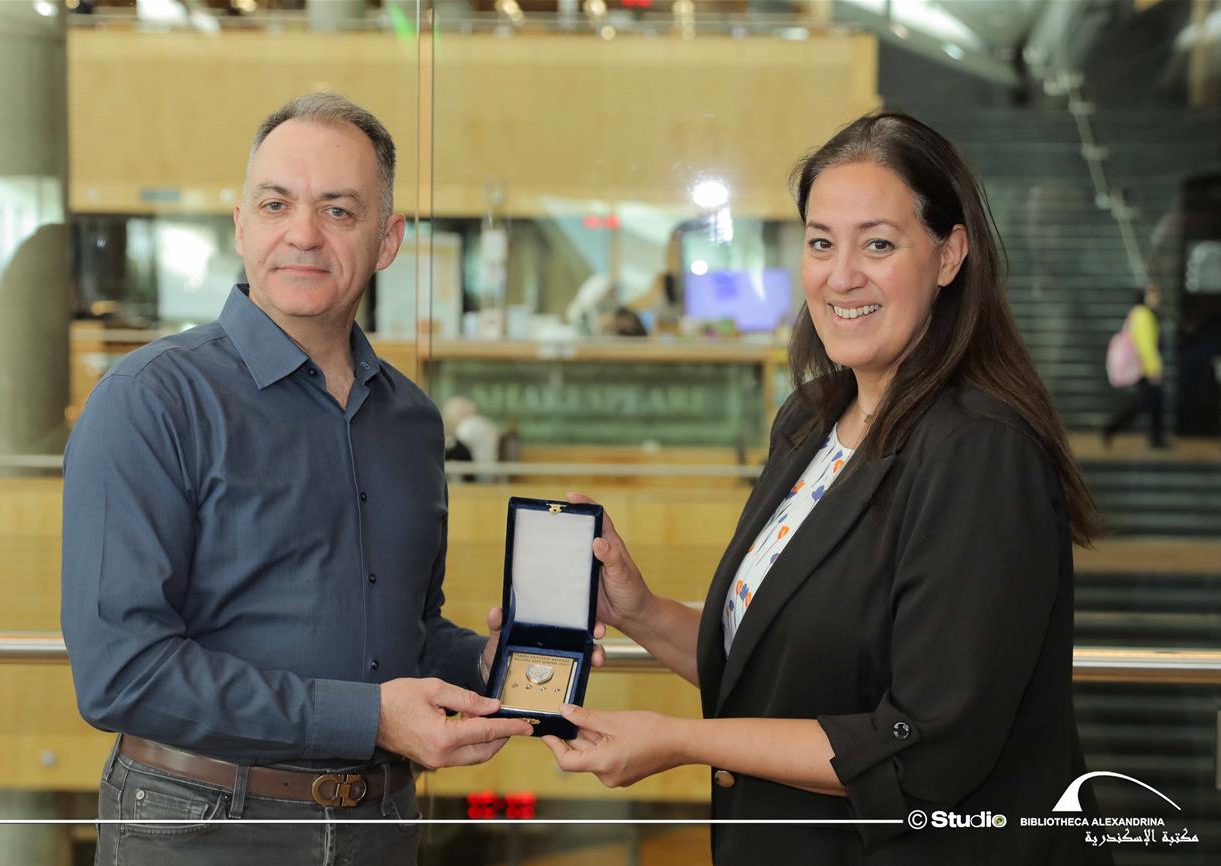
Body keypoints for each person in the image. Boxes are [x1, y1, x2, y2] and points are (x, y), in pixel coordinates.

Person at [542, 112, 1109, 865]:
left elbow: (921, 746)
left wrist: (680, 740)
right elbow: (776, 671)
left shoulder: (980, 452)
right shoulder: (811, 421)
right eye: (820, 242)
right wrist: (638, 610)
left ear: (949, 255)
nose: (842, 275)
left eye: (878, 244)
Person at [61, 93, 534, 866]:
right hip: (202, 829)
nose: (303, 234)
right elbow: (122, 672)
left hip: (380, 825)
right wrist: (369, 719)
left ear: (387, 240)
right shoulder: (150, 400)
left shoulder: (410, 421)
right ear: (240, 225)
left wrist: (487, 664)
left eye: (338, 210)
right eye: (276, 204)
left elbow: (402, 635)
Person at [1103, 284, 1166, 449]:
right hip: (1146, 369)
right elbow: (1146, 345)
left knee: (1152, 403)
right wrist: (1154, 369)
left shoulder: (1143, 313)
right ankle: (1111, 429)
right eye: (1153, 295)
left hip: (1144, 368)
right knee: (1142, 405)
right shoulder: (1143, 315)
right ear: (1144, 296)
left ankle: (1157, 439)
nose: (1157, 298)